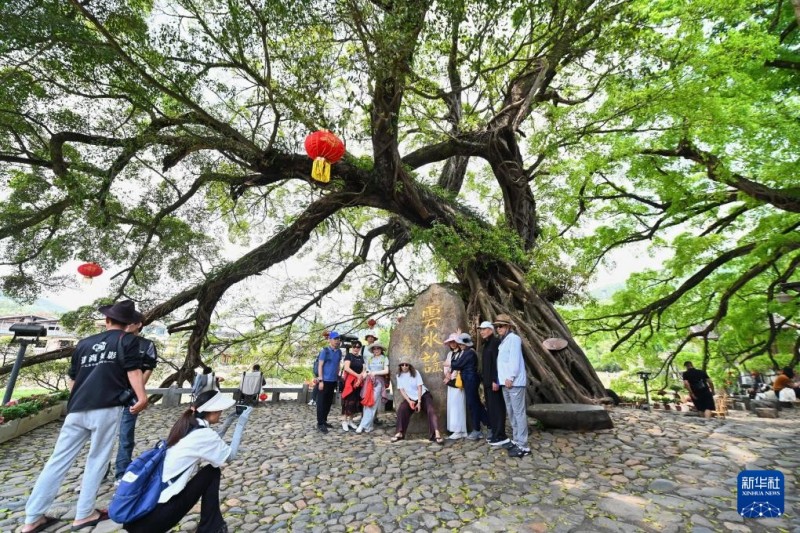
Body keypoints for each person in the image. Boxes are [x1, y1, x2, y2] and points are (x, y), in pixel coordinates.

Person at [22, 300, 148, 532]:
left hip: (77, 409)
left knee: (57, 461)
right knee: (97, 459)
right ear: (129, 324)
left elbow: (73, 378)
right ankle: (84, 514)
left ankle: (32, 518)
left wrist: (79, 399)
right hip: (107, 408)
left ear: (107, 320)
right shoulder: (128, 341)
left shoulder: (84, 343)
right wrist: (141, 398)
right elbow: (133, 370)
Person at [123, 390, 253, 533]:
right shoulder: (203, 434)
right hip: (156, 517)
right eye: (221, 410)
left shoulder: (187, 425)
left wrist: (229, 420)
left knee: (209, 472)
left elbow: (213, 440)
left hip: (141, 515)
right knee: (211, 472)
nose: (222, 412)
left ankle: (212, 527)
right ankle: (211, 528)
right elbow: (230, 455)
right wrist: (241, 423)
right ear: (214, 411)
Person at [114, 322, 159, 484]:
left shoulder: (146, 345)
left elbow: (148, 368)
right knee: (103, 436)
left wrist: (138, 390)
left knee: (126, 434)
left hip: (131, 395)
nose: (127, 324)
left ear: (139, 324)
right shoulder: (116, 340)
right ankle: (100, 471)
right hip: (110, 394)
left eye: (130, 321)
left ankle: (121, 472)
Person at [494, 314, 531, 458]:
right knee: (511, 412)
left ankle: (523, 445)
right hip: (505, 382)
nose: (499, 328)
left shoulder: (514, 339)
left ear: (508, 326)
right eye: (497, 326)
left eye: (501, 326)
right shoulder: (504, 341)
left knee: (518, 413)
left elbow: (514, 359)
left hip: (514, 382)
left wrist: (511, 377)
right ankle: (516, 440)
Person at [391, 362, 443, 444]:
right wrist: (409, 401)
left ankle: (436, 433)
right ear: (400, 366)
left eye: (406, 365)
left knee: (431, 409)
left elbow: (419, 387)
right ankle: (399, 432)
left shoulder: (415, 372)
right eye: (402, 365)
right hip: (410, 398)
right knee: (402, 408)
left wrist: (419, 402)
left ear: (409, 366)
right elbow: (402, 390)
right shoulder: (398, 375)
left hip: (423, 395)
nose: (404, 367)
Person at [450, 333, 489, 440]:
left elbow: (456, 364)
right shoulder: (466, 352)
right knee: (474, 403)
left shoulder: (468, 353)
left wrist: (452, 360)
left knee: (473, 404)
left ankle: (482, 427)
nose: (460, 345)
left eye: (462, 343)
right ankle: (486, 425)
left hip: (471, 380)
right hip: (469, 380)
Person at [479, 321, 509, 446]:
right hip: (487, 382)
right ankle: (495, 433)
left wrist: (496, 380)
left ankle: (500, 435)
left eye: (484, 329)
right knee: (491, 408)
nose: (481, 331)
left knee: (497, 408)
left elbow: (499, 364)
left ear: (491, 330)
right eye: (480, 330)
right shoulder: (486, 344)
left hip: (494, 382)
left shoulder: (496, 343)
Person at [356, 341, 389, 434]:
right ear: (372, 350)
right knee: (366, 403)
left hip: (378, 383)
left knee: (372, 403)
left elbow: (386, 371)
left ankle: (362, 425)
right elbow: (366, 370)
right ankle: (369, 426)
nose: (376, 350)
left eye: (378, 348)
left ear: (381, 349)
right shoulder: (370, 359)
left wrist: (375, 373)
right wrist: (361, 378)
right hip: (368, 382)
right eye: (374, 348)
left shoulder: (384, 358)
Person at [442, 333, 467, 440]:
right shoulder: (449, 354)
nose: (452, 344)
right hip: (450, 383)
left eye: (454, 341)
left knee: (459, 405)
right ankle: (454, 428)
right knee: (452, 405)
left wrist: (451, 376)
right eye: (450, 342)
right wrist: (447, 374)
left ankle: (460, 430)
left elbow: (459, 367)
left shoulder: (462, 353)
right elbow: (446, 366)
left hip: (458, 382)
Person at [316, 331, 342, 433]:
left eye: (338, 339)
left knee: (328, 402)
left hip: (333, 380)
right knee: (321, 403)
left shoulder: (339, 352)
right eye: (335, 339)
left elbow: (338, 364)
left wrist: (338, 376)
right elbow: (320, 365)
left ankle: (324, 420)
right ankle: (320, 423)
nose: (337, 341)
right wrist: (321, 380)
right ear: (330, 340)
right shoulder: (325, 351)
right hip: (324, 380)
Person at [340, 340, 366, 431]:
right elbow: (347, 368)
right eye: (354, 346)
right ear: (352, 347)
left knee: (355, 401)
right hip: (350, 381)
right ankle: (344, 420)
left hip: (359, 382)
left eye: (358, 347)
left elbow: (364, 369)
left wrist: (360, 377)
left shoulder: (361, 357)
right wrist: (357, 375)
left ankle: (350, 420)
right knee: (348, 400)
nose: (356, 348)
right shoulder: (349, 356)